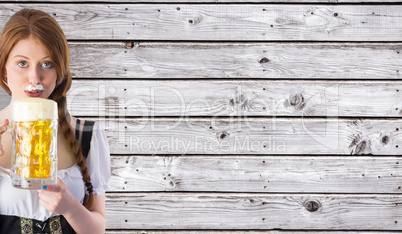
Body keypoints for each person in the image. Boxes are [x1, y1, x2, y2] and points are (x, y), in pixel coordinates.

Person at [0, 9, 111, 233]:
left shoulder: (86, 134)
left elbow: (98, 229)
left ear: (60, 72)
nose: (35, 78)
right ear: (3, 69)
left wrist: (71, 209)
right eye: (22, 63)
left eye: (47, 64)